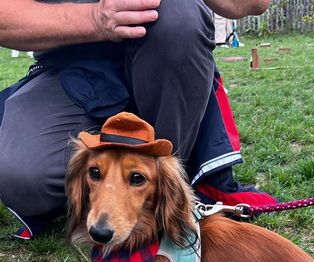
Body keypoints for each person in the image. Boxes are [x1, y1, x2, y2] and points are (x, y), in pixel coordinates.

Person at [0, 0, 275, 240]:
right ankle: (111, 178)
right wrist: (96, 18)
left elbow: (253, 3)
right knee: (21, 178)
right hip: (69, 68)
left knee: (178, 16)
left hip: (165, 56)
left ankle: (167, 198)